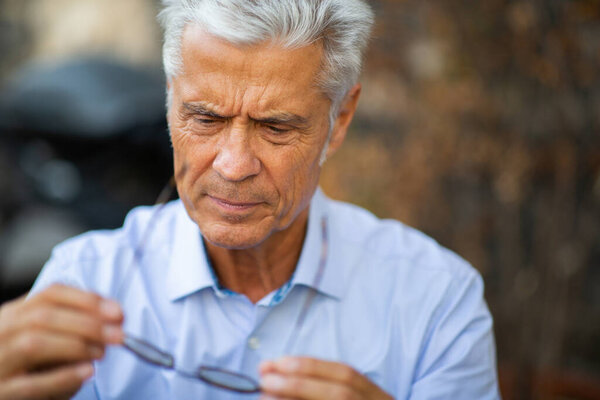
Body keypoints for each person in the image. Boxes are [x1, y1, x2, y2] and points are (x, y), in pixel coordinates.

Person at [0, 0, 500, 399]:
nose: (233, 165)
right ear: (170, 100)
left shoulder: (436, 304)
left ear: (340, 119)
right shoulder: (83, 284)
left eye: (276, 126)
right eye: (205, 118)